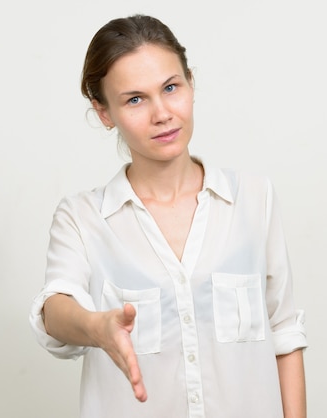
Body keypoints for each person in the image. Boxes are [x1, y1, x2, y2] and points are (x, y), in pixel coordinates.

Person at [29, 14, 307, 418]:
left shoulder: (253, 199)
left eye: (171, 88)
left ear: (191, 84)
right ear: (104, 112)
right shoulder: (83, 217)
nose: (162, 113)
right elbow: (55, 308)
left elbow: (284, 331)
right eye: (135, 99)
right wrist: (98, 328)